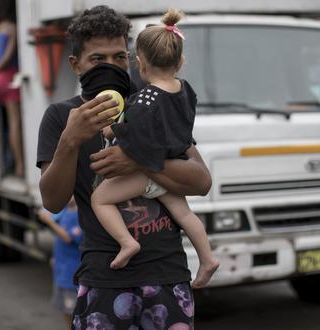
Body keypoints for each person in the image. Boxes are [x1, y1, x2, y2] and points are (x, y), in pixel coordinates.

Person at [37, 5, 212, 329]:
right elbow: (53, 201)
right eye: (97, 60)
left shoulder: (151, 103)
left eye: (119, 57)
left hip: (167, 273)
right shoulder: (62, 117)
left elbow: (201, 181)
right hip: (105, 277)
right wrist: (70, 141)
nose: (111, 67)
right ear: (76, 65)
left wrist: (138, 160)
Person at [90, 9, 219, 288]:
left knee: (99, 199)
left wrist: (112, 129)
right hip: (175, 165)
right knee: (185, 215)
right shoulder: (186, 90)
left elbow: (137, 133)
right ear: (180, 61)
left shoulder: (145, 98)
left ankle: (127, 243)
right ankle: (208, 258)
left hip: (148, 172)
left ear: (141, 64)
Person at [38, 197, 82, 330]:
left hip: (71, 272)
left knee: (73, 311)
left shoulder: (80, 216)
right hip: (61, 270)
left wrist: (49, 221)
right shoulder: (64, 211)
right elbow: (49, 211)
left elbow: (68, 237)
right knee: (64, 309)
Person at [0, 0, 24, 177]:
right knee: (15, 123)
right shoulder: (13, 28)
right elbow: (8, 54)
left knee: (5, 123)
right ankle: (20, 165)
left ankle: (8, 160)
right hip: (9, 76)